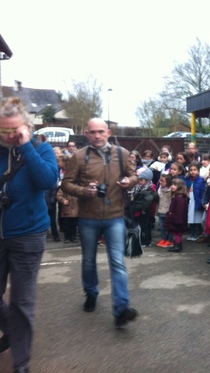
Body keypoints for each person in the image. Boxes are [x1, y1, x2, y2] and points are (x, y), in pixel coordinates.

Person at [61, 118, 139, 328]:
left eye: (101, 132)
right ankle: (91, 292)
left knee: (118, 262)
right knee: (88, 260)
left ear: (108, 132)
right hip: (88, 217)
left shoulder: (121, 153)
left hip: (115, 216)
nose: (97, 136)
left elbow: (133, 175)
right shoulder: (79, 156)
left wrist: (128, 182)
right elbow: (66, 184)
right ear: (87, 134)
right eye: (93, 132)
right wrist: (84, 191)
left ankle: (121, 309)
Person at [0, 97, 59, 373]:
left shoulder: (41, 149)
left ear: (26, 126)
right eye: (5, 131)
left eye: (16, 130)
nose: (10, 136)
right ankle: (12, 331)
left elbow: (47, 181)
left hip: (28, 235)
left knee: (22, 301)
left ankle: (21, 363)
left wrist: (26, 148)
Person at [131, 168, 157, 247]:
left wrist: (143, 209)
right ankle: (141, 239)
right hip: (138, 209)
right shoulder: (138, 187)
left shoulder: (149, 189)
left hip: (144, 211)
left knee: (145, 226)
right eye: (139, 179)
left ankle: (146, 241)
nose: (139, 181)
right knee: (140, 225)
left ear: (147, 180)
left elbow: (148, 201)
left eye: (141, 180)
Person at [165, 178, 189, 253]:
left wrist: (177, 219)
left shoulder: (179, 198)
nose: (172, 186)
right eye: (172, 184)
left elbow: (180, 210)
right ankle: (177, 244)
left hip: (177, 219)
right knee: (176, 233)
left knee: (177, 233)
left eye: (175, 185)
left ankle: (178, 245)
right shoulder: (177, 197)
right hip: (176, 218)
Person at [185, 161, 205, 241]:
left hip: (197, 201)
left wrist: (201, 202)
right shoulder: (187, 180)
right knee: (190, 218)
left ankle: (196, 234)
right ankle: (192, 233)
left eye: (195, 170)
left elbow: (202, 191)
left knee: (197, 218)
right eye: (191, 170)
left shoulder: (201, 180)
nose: (193, 172)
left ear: (198, 171)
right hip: (190, 200)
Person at [156, 173, 174, 248]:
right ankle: (163, 238)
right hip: (160, 211)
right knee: (162, 227)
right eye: (160, 181)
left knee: (169, 227)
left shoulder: (171, 190)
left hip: (168, 212)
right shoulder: (159, 189)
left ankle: (170, 240)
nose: (161, 182)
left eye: (163, 181)